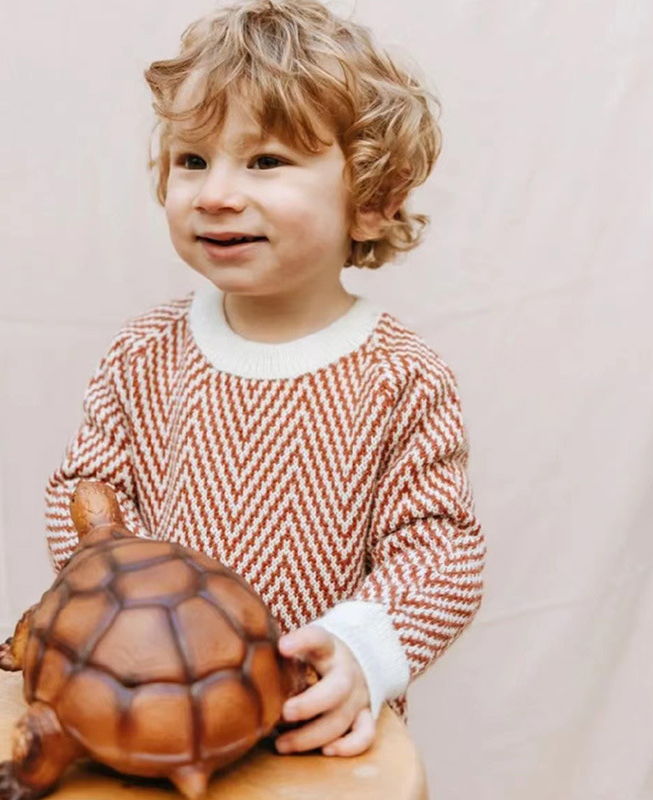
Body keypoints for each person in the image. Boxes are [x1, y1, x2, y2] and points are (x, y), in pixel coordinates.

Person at [45, 0, 485, 760]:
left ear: (372, 201)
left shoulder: (402, 378)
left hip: (314, 732)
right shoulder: (143, 354)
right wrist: (134, 615)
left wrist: (360, 652)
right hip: (158, 714)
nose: (215, 193)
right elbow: (86, 498)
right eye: (192, 160)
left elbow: (439, 550)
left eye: (266, 161)